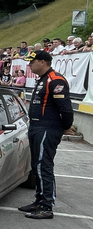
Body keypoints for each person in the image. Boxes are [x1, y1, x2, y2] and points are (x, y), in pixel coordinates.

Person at [18, 50, 73, 219]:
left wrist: (65, 126)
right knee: (36, 166)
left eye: (32, 62)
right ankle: (39, 200)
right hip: (36, 127)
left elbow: (65, 108)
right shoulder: (41, 79)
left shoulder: (55, 79)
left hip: (47, 129)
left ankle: (47, 206)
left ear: (43, 62)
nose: (29, 65)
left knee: (43, 166)